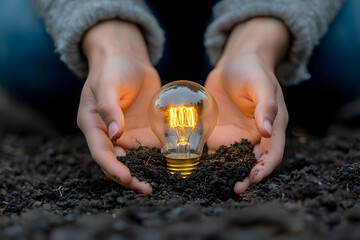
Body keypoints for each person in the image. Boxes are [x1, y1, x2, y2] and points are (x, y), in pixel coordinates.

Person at [1, 0, 356, 195]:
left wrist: (258, 41)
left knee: (349, 44)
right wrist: (110, 40)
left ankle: (259, 66)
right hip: (123, 18)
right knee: (17, 40)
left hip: (253, 18)